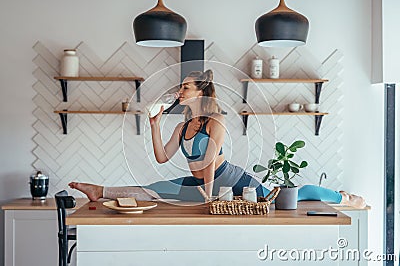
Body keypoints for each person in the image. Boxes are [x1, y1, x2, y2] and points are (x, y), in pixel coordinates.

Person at [69, 70, 366, 208]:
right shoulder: (182, 126)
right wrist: (155, 126)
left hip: (233, 180)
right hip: (204, 184)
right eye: (181, 87)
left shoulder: (217, 120)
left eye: (186, 87)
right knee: (155, 190)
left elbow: (209, 160)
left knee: (284, 195)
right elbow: (162, 157)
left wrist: (208, 194)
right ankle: (100, 190)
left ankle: (344, 198)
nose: (180, 91)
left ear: (200, 92)